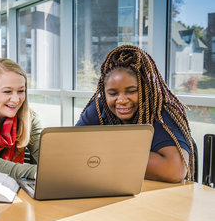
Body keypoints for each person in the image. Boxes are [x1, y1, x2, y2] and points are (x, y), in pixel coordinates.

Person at [76, 45, 194, 183]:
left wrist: (103, 153)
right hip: (112, 187)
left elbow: (174, 170)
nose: (121, 100)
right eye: (113, 93)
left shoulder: (160, 113)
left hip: (157, 197)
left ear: (145, 89)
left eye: (131, 91)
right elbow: (73, 150)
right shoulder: (99, 107)